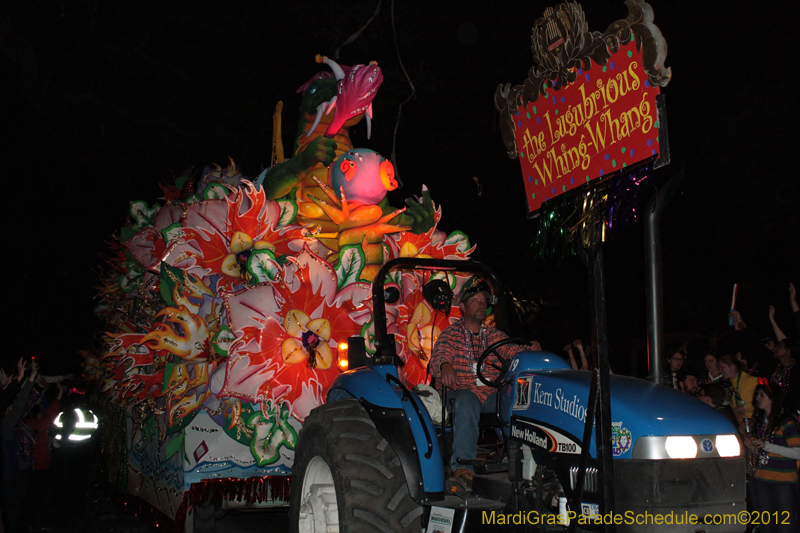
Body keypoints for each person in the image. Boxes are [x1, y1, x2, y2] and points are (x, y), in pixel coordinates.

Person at [430, 277, 540, 493]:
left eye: (484, 300)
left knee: (516, 399)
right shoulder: (451, 334)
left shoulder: (493, 336)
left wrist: (529, 349)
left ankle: (521, 457)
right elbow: (439, 356)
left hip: (488, 394)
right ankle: (462, 467)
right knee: (467, 400)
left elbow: (512, 350)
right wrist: (445, 366)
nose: (481, 303)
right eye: (475, 300)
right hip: (459, 392)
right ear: (462, 307)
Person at [743, 382, 799, 533]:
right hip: (761, 479)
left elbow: (797, 452)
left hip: (783, 481)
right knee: (766, 525)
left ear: (772, 398)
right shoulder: (759, 422)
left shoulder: (786, 422)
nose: (757, 398)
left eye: (762, 395)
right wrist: (750, 444)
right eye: (757, 395)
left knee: (785, 526)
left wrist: (767, 446)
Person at [718, 353, 758, 425]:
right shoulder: (728, 385)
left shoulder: (752, 381)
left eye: (722, 367)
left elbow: (762, 402)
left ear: (732, 367)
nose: (720, 371)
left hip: (754, 424)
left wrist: (741, 408)